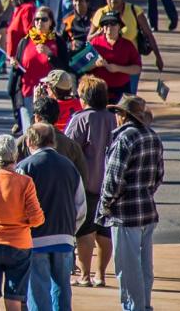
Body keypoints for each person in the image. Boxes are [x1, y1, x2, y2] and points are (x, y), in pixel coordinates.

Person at [98, 95, 164, 311]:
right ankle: (144, 305)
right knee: (145, 266)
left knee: (127, 268)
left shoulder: (125, 139)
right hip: (146, 209)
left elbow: (113, 181)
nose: (116, 117)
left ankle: (133, 307)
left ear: (124, 115)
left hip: (125, 214)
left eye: (118, 113)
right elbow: (158, 176)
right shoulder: (153, 137)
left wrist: (106, 205)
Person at [16, 123, 87, 311]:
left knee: (38, 292)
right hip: (64, 237)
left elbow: (17, 206)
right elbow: (81, 206)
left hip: (35, 239)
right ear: (53, 141)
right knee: (62, 288)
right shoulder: (69, 167)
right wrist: (71, 231)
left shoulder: (25, 167)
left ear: (30, 141)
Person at [0, 134, 45, 311]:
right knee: (14, 300)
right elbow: (37, 219)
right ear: (15, 155)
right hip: (19, 244)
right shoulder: (25, 182)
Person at [63, 74, 117, 287]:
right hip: (109, 184)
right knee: (104, 232)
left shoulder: (81, 118)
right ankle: (101, 274)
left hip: (85, 184)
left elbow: (68, 148)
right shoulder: (112, 118)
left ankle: (85, 276)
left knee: (85, 231)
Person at [88, 12, 142, 103]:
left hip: (122, 90)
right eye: (105, 25)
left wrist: (117, 68)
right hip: (100, 90)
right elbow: (83, 68)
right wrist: (94, 65)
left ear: (119, 27)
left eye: (113, 24)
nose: (109, 28)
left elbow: (137, 68)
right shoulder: (95, 43)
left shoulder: (127, 45)